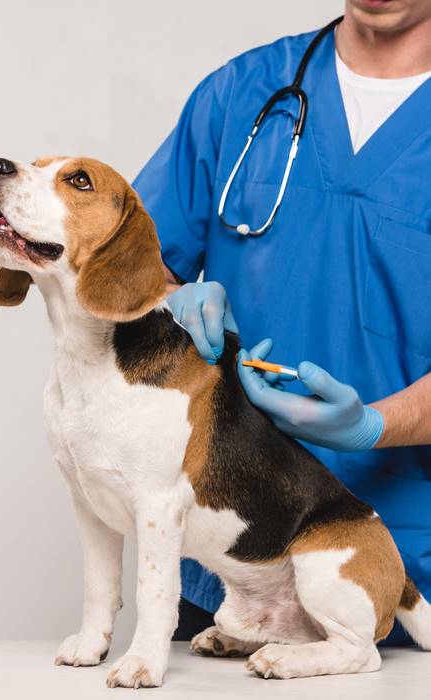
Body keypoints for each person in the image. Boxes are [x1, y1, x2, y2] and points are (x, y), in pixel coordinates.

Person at [133, 0, 431, 645]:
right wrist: (175, 296)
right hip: (230, 554)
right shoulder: (242, 92)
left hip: (397, 563)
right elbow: (135, 261)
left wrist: (373, 426)